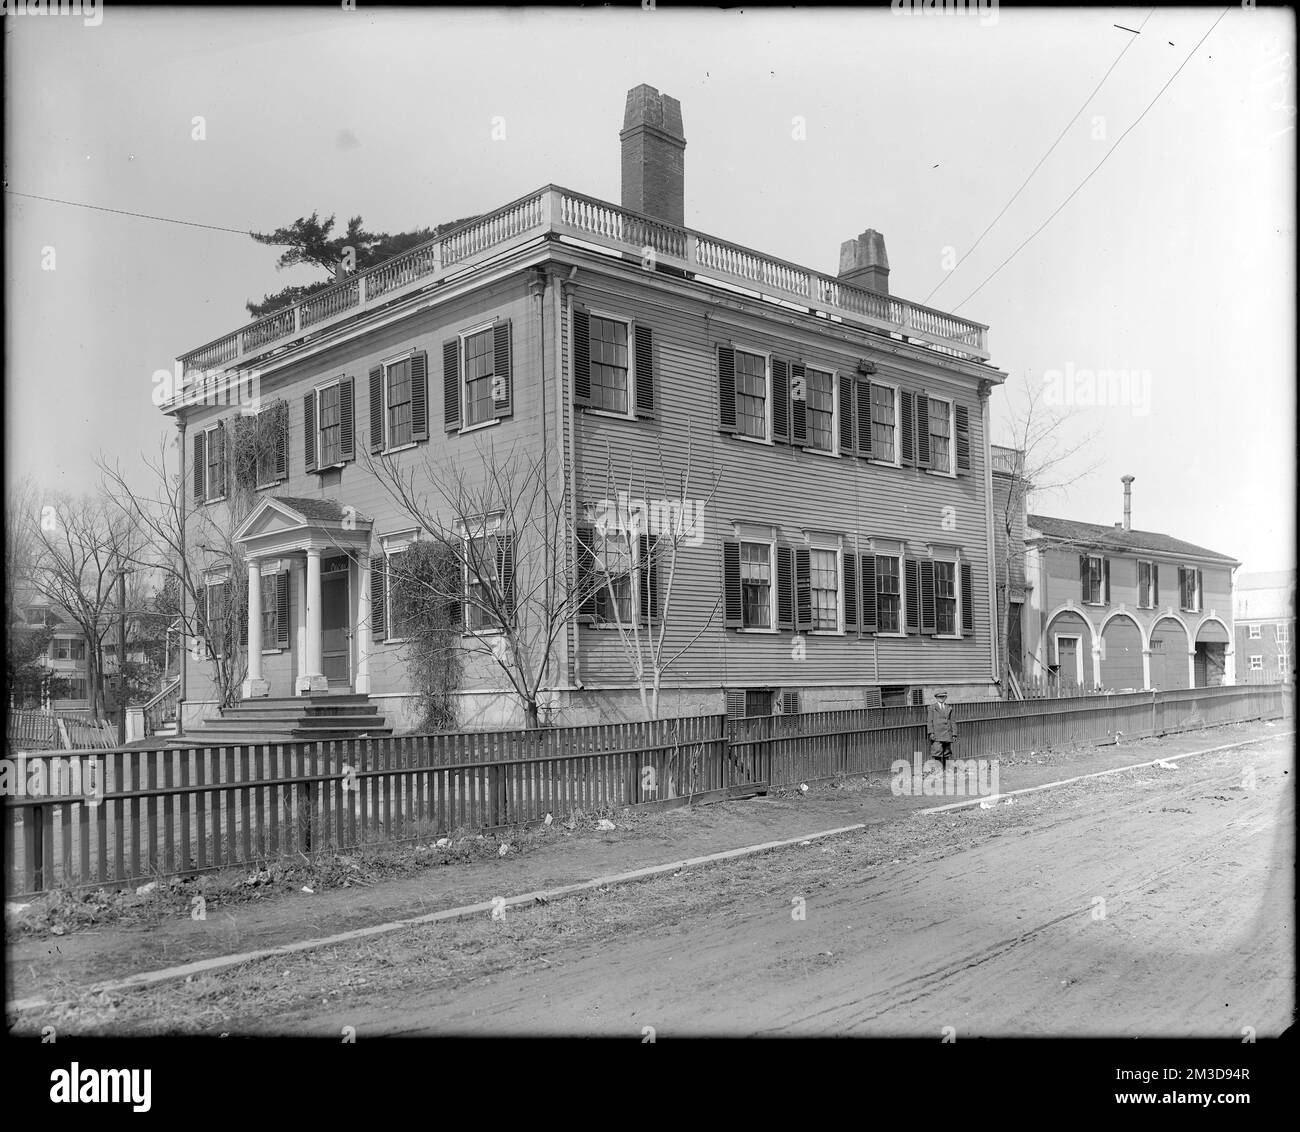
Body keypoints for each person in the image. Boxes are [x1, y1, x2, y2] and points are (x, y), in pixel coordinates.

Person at [926, 689, 957, 766]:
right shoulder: (932, 708)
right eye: (939, 697)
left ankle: (947, 769)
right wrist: (931, 733)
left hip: (947, 733)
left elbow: (952, 721)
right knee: (937, 752)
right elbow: (929, 721)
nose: (941, 698)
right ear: (936, 697)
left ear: (945, 697)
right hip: (937, 734)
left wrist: (954, 734)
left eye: (943, 696)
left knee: (947, 752)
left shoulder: (949, 707)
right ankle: (938, 770)